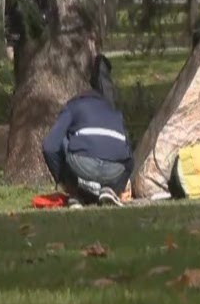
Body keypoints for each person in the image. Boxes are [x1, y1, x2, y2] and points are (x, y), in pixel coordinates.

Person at [41, 55, 132, 207]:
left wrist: (62, 181)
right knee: (122, 147)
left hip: (83, 166)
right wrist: (120, 186)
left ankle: (75, 193)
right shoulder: (115, 112)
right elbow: (129, 158)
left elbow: (49, 146)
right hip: (115, 170)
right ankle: (110, 190)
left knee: (65, 139)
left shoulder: (74, 105)